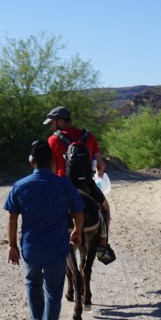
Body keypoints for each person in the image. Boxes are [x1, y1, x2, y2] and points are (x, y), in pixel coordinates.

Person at [5, 140, 85, 320]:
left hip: (30, 248)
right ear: (52, 162)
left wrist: (12, 245)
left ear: (31, 162)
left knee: (32, 284)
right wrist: (77, 230)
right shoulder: (64, 184)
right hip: (56, 249)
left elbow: (12, 219)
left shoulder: (20, 186)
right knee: (53, 291)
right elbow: (78, 212)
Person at [44, 106, 115, 264]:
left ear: (61, 122)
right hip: (86, 185)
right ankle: (103, 243)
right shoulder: (88, 136)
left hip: (63, 185)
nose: (51, 126)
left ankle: (50, 243)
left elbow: (53, 167)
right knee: (105, 208)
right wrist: (98, 178)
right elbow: (101, 166)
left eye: (52, 123)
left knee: (47, 212)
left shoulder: (53, 140)